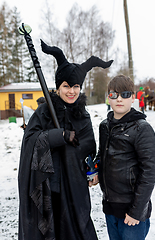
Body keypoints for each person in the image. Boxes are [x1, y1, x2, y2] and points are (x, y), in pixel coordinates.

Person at [18, 40, 113, 240]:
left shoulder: (83, 115)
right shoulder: (44, 112)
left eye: (76, 86)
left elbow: (88, 148)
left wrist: (92, 168)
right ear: (59, 86)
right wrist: (58, 136)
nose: (71, 91)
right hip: (49, 186)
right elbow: (30, 142)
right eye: (66, 86)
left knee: (78, 230)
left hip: (75, 187)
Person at [96, 75, 155, 240]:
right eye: (113, 95)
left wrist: (136, 212)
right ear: (108, 98)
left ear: (133, 97)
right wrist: (96, 170)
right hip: (110, 207)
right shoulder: (104, 126)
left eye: (124, 94)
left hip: (131, 212)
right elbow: (102, 154)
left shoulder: (141, 129)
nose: (119, 99)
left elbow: (150, 172)